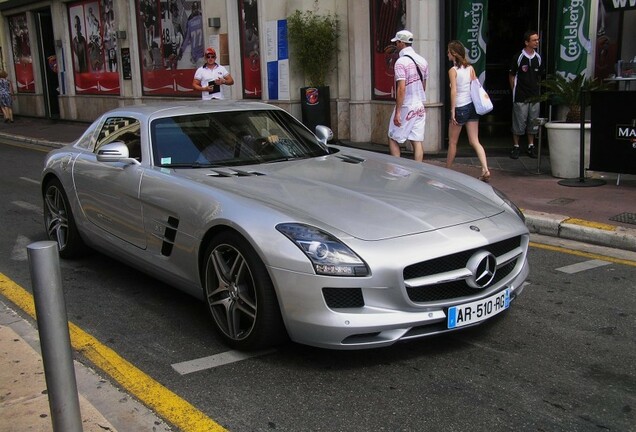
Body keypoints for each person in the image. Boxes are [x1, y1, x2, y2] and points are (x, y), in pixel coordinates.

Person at [446, 41, 490, 182]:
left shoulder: (452, 71)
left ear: (453, 54)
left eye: (448, 52)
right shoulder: (470, 68)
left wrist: (453, 110)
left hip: (460, 106)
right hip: (471, 106)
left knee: (453, 142)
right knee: (475, 141)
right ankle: (485, 168)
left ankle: (446, 171)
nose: (447, 54)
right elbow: (475, 84)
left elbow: (454, 91)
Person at [387, 30, 428, 162]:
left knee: (392, 137)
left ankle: (396, 170)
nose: (396, 45)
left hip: (407, 105)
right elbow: (423, 86)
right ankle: (418, 171)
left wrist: (398, 111)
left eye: (397, 42)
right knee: (416, 141)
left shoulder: (401, 62)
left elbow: (401, 88)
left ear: (401, 43)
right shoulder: (423, 61)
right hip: (419, 105)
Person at [509, 30, 544, 159]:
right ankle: (516, 146)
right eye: (534, 40)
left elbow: (540, 76)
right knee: (519, 122)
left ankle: (531, 146)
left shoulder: (538, 57)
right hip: (521, 95)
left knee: (533, 122)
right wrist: (514, 91)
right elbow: (512, 75)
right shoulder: (518, 57)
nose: (537, 42)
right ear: (526, 42)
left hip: (534, 96)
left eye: (537, 40)